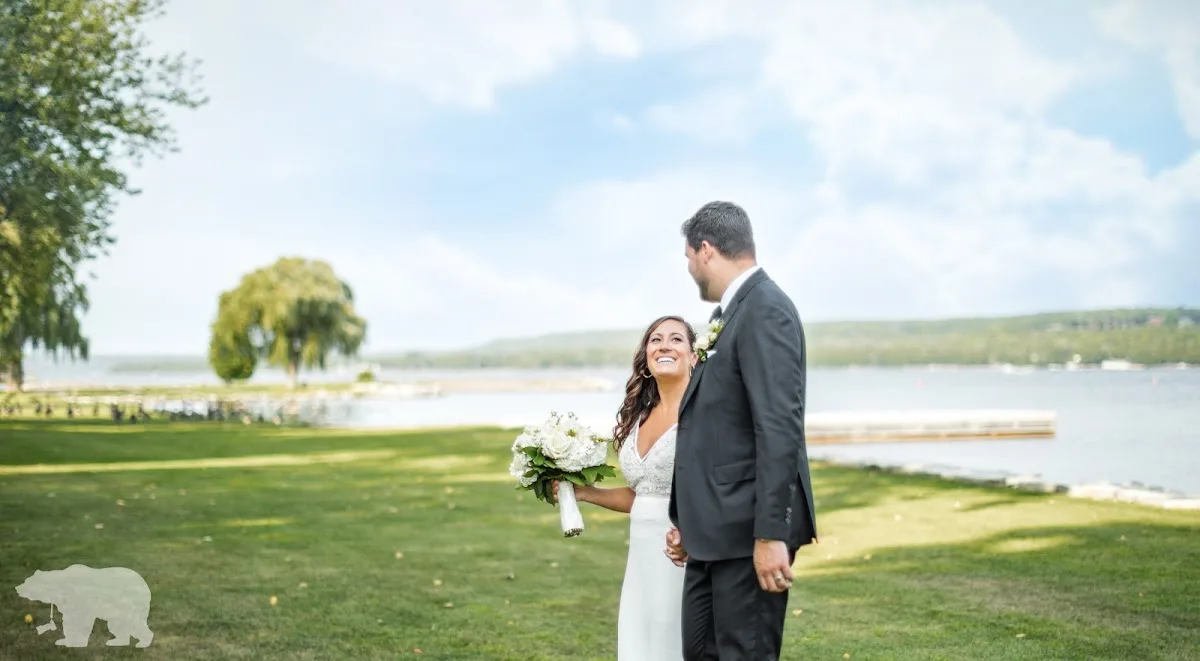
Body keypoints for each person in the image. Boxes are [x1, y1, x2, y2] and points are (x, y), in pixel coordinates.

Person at [665, 201, 817, 659]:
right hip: (713, 533)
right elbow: (718, 430)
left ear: (706, 250)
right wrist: (688, 521)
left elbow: (777, 427)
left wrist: (771, 534)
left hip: (747, 532)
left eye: (689, 256)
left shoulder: (765, 310)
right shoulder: (727, 316)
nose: (689, 268)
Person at [552, 315, 696, 660]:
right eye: (655, 339)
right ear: (646, 356)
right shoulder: (640, 416)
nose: (664, 345)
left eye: (676, 339)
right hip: (642, 557)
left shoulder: (704, 413)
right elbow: (644, 496)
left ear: (694, 356)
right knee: (641, 639)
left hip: (685, 550)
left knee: (674, 640)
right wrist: (585, 493)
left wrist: (695, 534)